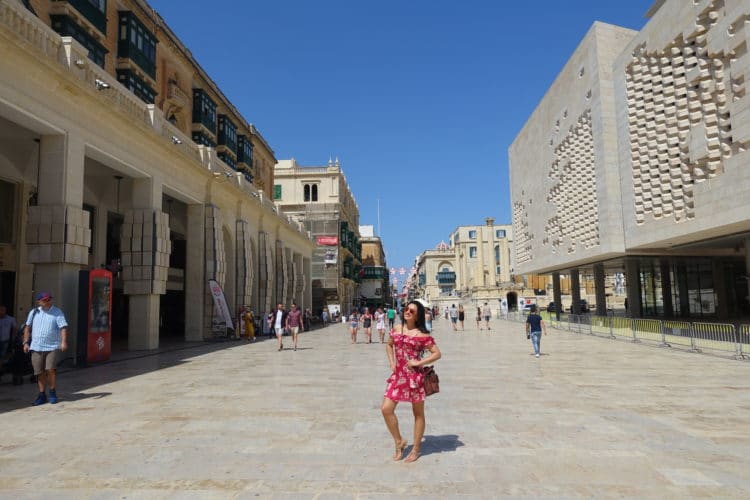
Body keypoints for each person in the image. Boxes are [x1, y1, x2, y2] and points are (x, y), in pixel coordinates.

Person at [381, 300, 442, 463]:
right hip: (398, 376)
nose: (407, 311)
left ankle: (416, 449)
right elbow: (389, 345)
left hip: (415, 378)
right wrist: (391, 362)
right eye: (406, 309)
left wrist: (418, 363)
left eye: (412, 311)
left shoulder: (423, 335)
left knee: (418, 413)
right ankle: (399, 441)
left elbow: (437, 353)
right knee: (386, 409)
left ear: (418, 316)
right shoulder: (396, 329)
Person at [23, 292, 69, 406]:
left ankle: (52, 392)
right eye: (44, 300)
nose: (47, 301)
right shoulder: (33, 312)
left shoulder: (57, 312)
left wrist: (63, 342)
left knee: (50, 369)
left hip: (52, 346)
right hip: (36, 346)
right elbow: (27, 328)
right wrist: (25, 342)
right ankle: (42, 394)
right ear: (39, 302)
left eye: (49, 299)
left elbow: (63, 327)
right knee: (39, 372)